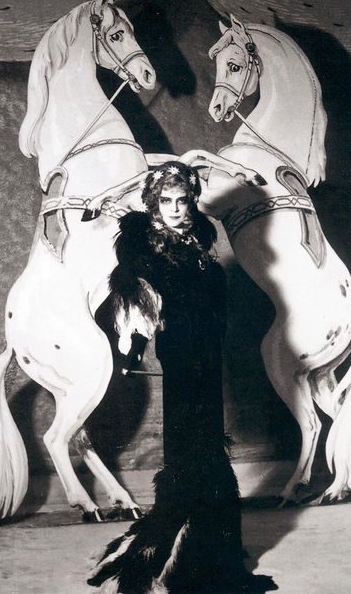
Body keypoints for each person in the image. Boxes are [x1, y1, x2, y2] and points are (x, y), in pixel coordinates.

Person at [87, 162, 275, 594]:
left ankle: (210, 545)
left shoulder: (197, 238)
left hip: (208, 355)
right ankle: (186, 557)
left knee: (206, 442)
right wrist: (134, 340)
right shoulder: (143, 246)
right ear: (153, 204)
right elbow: (137, 295)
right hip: (183, 356)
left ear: (192, 200)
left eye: (182, 200)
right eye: (166, 201)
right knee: (192, 446)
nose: (174, 209)